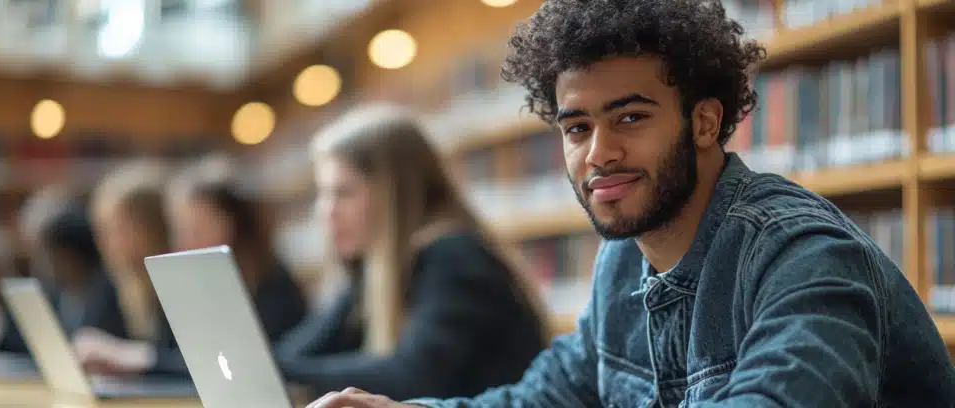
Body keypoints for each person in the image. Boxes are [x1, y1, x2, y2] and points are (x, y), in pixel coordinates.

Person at [307, 0, 955, 407]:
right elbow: (547, 396)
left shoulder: (804, 256)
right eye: (577, 128)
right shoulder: (622, 261)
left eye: (630, 117)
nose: (598, 154)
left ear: (704, 123)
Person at [275, 104, 548, 401]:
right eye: (323, 194)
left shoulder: (454, 257)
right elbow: (302, 350)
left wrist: (271, 370)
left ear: (394, 193)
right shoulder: (373, 270)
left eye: (343, 193)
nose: (326, 212)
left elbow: (411, 377)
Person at [164, 170, 309, 347]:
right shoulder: (188, 287)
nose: (186, 243)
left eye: (197, 231)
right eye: (180, 232)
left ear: (230, 225)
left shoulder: (273, 287)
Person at [72, 160, 187, 377]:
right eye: (103, 230)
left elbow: (194, 364)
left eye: (119, 229)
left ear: (155, 228)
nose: (106, 242)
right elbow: (90, 334)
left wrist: (135, 357)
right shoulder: (114, 280)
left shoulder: (182, 283)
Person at [37, 201, 128, 338]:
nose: (49, 264)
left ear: (75, 254)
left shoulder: (110, 293)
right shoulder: (56, 294)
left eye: (54, 256)